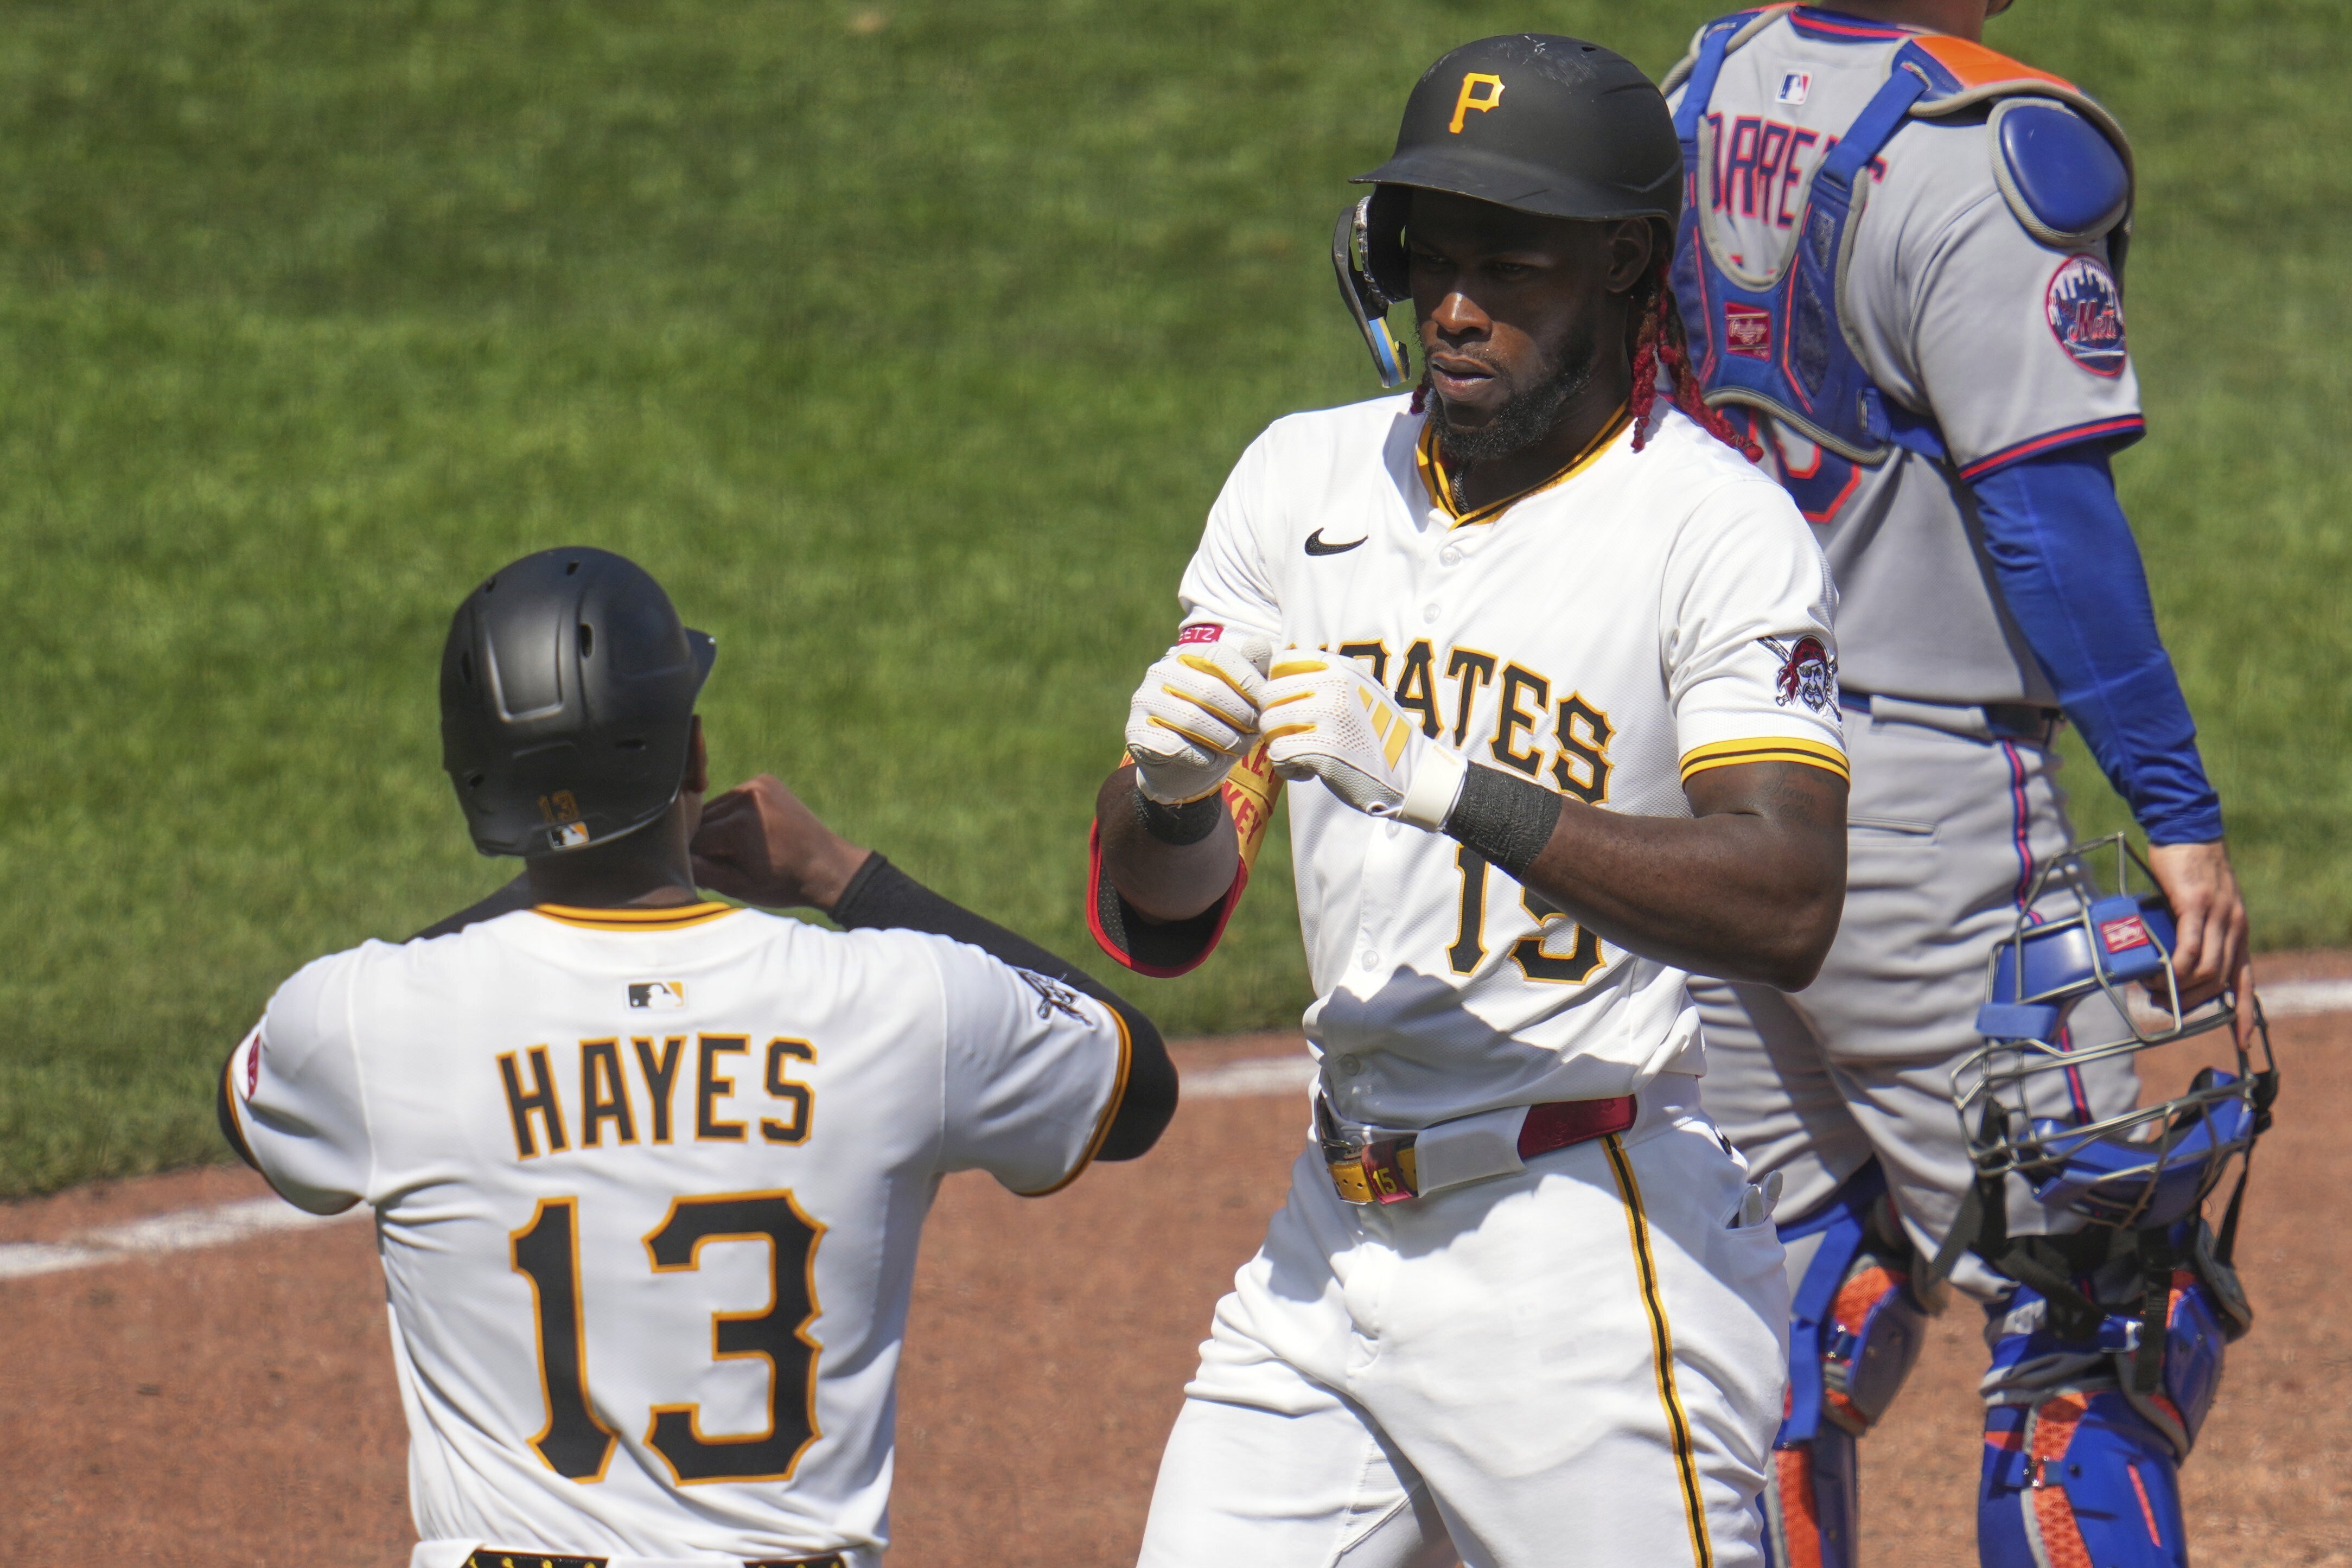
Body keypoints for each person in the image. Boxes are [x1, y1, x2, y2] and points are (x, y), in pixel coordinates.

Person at [1092, 36, 1852, 1568]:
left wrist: (1445, 784)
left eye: (1509, 267)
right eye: (1430, 260)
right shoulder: (1298, 481)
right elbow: (1164, 919)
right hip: (1331, 1247)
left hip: (1585, 1253)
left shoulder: (1711, 527)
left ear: (1624, 265)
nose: (1452, 307)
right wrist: (1168, 795)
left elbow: (1785, 899)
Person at [216, 546, 1175, 1568]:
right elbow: (1137, 1088)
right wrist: (845, 877)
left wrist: (545, 864)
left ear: (474, 781)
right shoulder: (902, 1000)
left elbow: (249, 1111)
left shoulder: (365, 1017)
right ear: (697, 755)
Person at [1662, 7, 2258, 1566]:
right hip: (1918, 811)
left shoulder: (1706, 85)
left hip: (1703, 781)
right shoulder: (1985, 154)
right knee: (2095, 1318)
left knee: (1781, 1296)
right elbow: (2045, 521)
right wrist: (2175, 810)